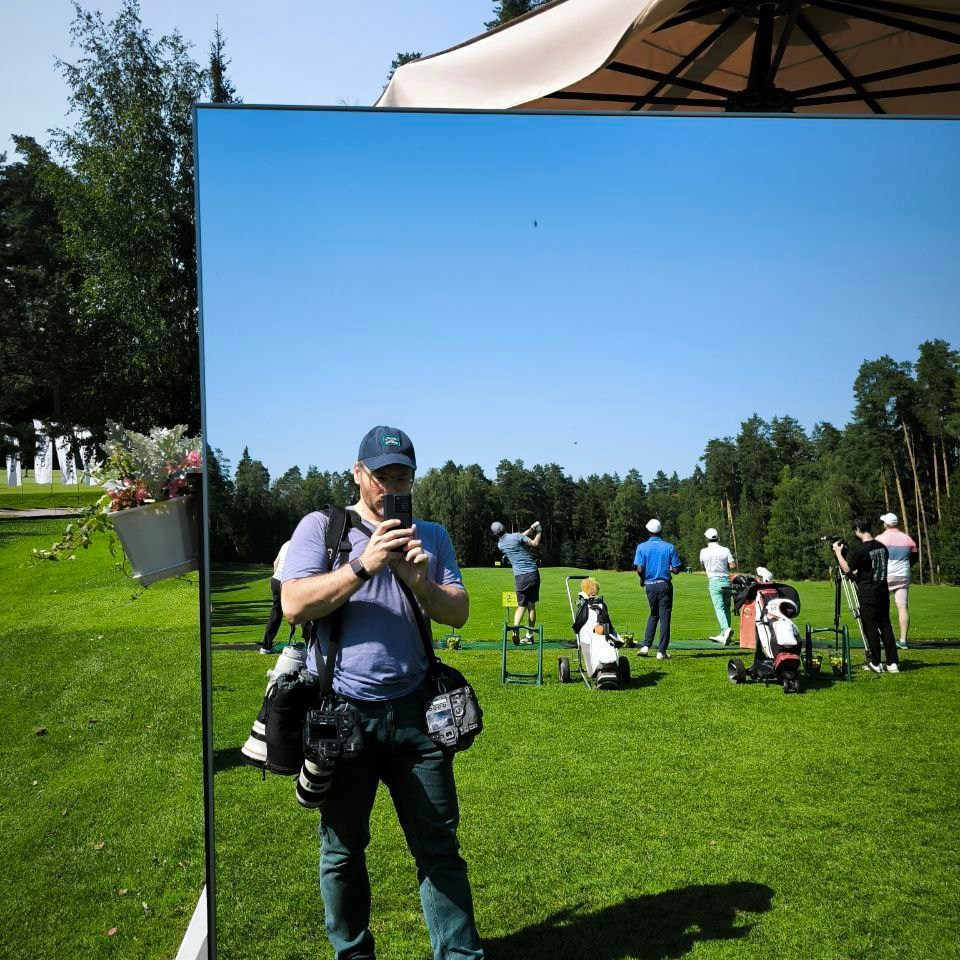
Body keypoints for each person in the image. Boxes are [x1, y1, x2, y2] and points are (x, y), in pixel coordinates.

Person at [281, 425, 484, 960]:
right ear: (357, 473)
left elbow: (458, 613)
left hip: (419, 715)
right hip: (342, 716)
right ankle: (354, 954)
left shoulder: (431, 536)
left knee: (439, 848)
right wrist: (362, 563)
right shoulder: (322, 528)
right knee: (343, 851)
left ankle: (461, 957)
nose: (391, 486)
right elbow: (295, 605)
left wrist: (418, 580)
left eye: (402, 476)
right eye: (381, 476)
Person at [833, 516, 900, 674]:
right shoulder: (882, 547)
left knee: (870, 628)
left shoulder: (860, 550)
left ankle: (876, 663)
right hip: (882, 591)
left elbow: (848, 570)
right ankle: (892, 663)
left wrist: (838, 553)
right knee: (885, 626)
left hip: (868, 593)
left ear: (857, 530)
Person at [633, 519, 682, 661]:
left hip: (650, 585)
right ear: (660, 531)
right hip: (664, 584)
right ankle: (661, 651)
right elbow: (677, 569)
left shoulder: (641, 547)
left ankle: (646, 646)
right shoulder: (669, 547)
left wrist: (642, 580)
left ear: (648, 531)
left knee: (653, 614)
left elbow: (639, 568)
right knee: (664, 617)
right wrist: (671, 568)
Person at [491, 519, 542, 644]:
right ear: (504, 527)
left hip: (520, 577)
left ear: (495, 534)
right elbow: (534, 543)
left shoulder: (501, 545)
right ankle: (529, 636)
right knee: (531, 606)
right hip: (533, 574)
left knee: (521, 606)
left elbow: (518, 538)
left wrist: (530, 529)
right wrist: (539, 531)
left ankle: (515, 630)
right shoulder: (516, 536)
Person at [875, 512, 918, 649]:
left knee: (879, 607)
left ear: (886, 524)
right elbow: (914, 557)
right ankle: (903, 640)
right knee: (902, 607)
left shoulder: (880, 539)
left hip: (885, 576)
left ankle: (880, 637)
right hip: (903, 576)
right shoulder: (908, 539)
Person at [699, 528, 737, 644]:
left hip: (714, 582)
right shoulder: (725, 550)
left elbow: (701, 563)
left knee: (719, 608)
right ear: (717, 537)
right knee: (726, 607)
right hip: (726, 581)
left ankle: (725, 630)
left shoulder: (703, 551)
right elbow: (732, 566)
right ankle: (724, 633)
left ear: (707, 539)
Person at [260, 540, 292, 654]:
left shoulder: (286, 543)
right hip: (288, 581)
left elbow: (275, 563)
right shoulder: (303, 543)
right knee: (303, 610)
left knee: (276, 612)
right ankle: (310, 646)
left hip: (275, 580)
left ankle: (266, 646)